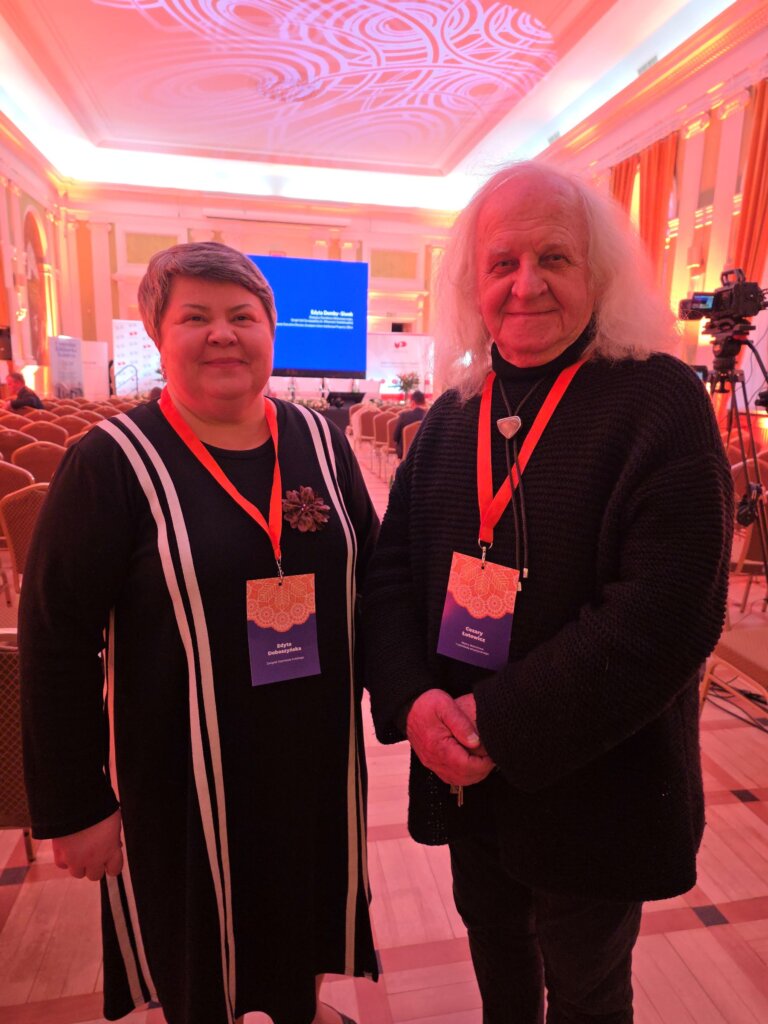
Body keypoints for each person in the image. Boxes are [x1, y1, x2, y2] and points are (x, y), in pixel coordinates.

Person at [362, 161, 732, 1023]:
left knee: (588, 991)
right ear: (474, 282)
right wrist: (416, 701)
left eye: (554, 258)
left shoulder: (658, 399)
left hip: (597, 783)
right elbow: (391, 573)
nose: (525, 284)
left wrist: (494, 723)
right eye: (503, 263)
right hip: (464, 770)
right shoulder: (451, 414)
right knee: (497, 963)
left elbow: (668, 615)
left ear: (597, 273)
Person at [20, 241, 378, 1024]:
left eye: (243, 316)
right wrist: (76, 803)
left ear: (271, 332)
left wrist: (418, 699)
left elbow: (375, 582)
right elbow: (55, 638)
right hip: (183, 775)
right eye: (196, 317)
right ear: (157, 334)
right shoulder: (111, 462)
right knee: (198, 950)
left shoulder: (320, 440)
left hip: (313, 756)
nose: (223, 334)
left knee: (302, 915)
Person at [393, 389, 427, 458]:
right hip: (424, 453)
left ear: (412, 402)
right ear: (424, 402)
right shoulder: (430, 416)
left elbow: (395, 437)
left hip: (406, 453)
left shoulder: (404, 416)